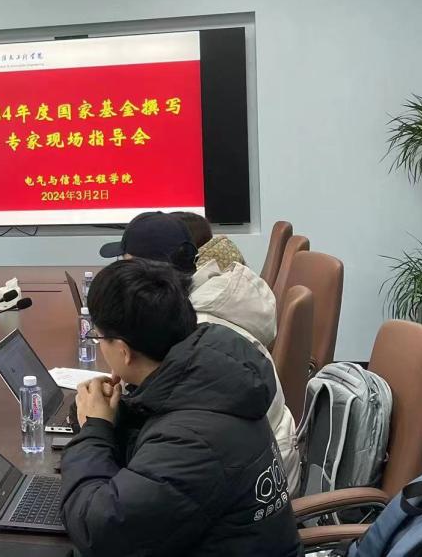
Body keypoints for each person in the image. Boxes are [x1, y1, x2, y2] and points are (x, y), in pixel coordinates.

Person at [60, 259, 300, 557]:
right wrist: (109, 416)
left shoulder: (191, 440)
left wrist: (95, 430)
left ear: (123, 351)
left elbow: (98, 530)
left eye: (99, 338)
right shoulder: (211, 369)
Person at [98, 210, 300, 494]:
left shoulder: (195, 329)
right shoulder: (207, 301)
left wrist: (96, 430)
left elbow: (183, 440)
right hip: (262, 466)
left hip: (255, 487)